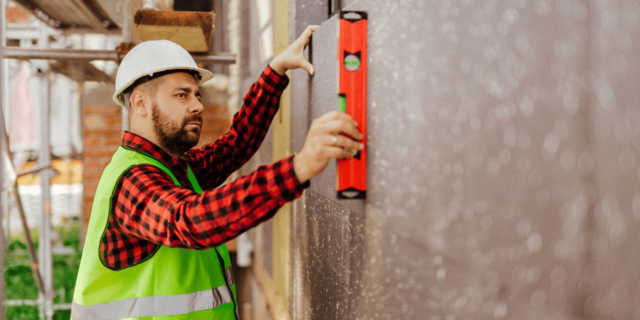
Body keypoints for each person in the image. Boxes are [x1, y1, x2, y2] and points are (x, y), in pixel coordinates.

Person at [71, 26, 364, 319]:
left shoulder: (175, 169)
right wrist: (299, 167)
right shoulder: (132, 182)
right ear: (140, 102)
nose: (198, 105)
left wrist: (276, 70)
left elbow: (234, 146)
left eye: (196, 95)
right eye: (182, 95)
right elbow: (188, 220)